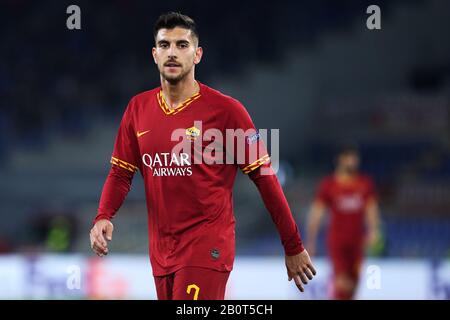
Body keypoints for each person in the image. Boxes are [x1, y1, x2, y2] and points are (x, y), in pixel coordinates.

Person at [90, 12, 315, 300]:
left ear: (197, 55)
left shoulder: (227, 112)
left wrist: (293, 244)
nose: (172, 53)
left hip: (207, 247)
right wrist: (103, 215)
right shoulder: (138, 109)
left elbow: (265, 178)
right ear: (154, 54)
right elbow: (121, 173)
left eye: (182, 45)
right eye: (165, 45)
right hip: (161, 253)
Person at [306, 145, 380, 299]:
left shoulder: (364, 183)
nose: (353, 161)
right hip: (337, 242)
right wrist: (311, 241)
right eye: (349, 158)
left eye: (355, 158)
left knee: (353, 285)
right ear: (340, 160)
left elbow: (371, 209)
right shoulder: (329, 185)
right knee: (341, 283)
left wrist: (374, 231)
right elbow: (316, 214)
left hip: (357, 242)